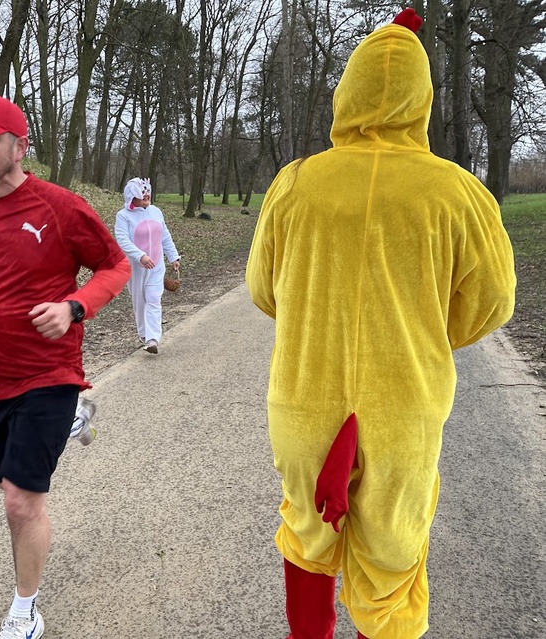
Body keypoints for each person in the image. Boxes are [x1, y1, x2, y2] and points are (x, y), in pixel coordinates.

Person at [245, 9, 515, 639]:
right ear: (422, 100)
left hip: (304, 401)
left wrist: (312, 314)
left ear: (349, 92)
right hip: (405, 408)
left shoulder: (295, 184)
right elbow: (493, 301)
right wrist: (427, 331)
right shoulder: (456, 193)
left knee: (306, 535)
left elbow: (263, 289)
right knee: (393, 553)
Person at [0, 94, 130, 639]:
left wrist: (74, 307)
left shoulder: (59, 207)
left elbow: (114, 266)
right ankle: (73, 421)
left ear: (20, 146)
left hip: (49, 372)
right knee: (7, 485)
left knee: (20, 500)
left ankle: (25, 611)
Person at [113, 177, 181, 354]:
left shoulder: (156, 212)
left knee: (153, 298)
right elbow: (122, 240)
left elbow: (165, 236)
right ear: (131, 196)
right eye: (141, 193)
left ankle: (152, 339)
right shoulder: (123, 216)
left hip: (156, 266)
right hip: (136, 268)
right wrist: (140, 256)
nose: (146, 195)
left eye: (147, 192)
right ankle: (143, 334)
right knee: (140, 301)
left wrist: (173, 257)